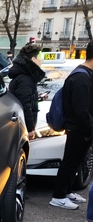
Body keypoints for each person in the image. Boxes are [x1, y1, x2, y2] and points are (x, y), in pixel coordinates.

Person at [50, 40, 93, 210]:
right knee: (70, 162)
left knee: (75, 162)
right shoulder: (82, 77)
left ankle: (66, 192)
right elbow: (81, 110)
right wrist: (88, 130)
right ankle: (58, 196)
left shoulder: (84, 74)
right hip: (78, 129)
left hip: (80, 128)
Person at [7, 43, 46, 141]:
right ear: (33, 59)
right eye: (40, 57)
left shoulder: (24, 77)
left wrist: (36, 96)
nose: (42, 60)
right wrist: (29, 129)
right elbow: (24, 104)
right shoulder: (26, 79)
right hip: (22, 127)